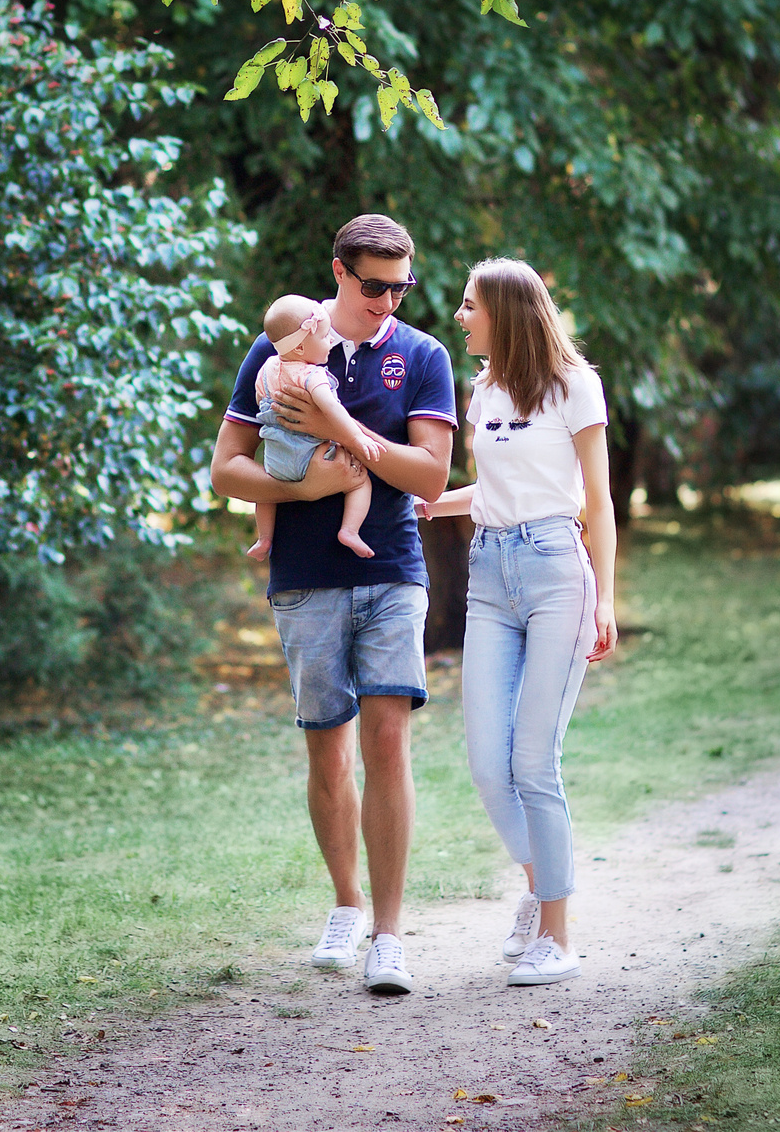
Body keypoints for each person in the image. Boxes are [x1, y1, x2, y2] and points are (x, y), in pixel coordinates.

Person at [211, 215, 455, 996]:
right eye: (374, 283)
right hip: (306, 575)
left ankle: (389, 933)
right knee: (329, 746)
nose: (388, 300)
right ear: (340, 272)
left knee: (387, 740)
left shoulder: (423, 356)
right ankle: (346, 904)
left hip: (391, 568)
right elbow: (226, 471)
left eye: (401, 285)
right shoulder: (279, 349)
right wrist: (308, 484)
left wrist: (344, 433)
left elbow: (430, 478)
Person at [418, 258, 617, 987]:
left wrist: (606, 598)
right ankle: (541, 883)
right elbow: (490, 491)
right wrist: (424, 503)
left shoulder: (575, 385)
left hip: (558, 569)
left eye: (470, 305)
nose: (462, 316)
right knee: (485, 763)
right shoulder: (483, 391)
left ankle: (558, 935)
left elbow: (597, 500)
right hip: (491, 572)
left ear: (504, 309)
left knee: (534, 761)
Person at [245, 294, 391, 562]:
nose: (330, 342)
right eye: (324, 337)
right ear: (300, 349)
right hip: (310, 455)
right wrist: (357, 438)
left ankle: (264, 538)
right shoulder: (312, 375)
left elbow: (258, 400)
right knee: (360, 482)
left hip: (276, 460)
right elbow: (332, 410)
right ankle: (349, 530)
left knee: (265, 493)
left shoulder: (267, 368)